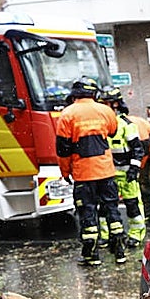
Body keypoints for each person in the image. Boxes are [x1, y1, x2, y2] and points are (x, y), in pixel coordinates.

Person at [55, 76, 127, 266]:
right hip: (106, 171)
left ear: (74, 95)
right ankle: (119, 250)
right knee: (112, 209)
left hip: (83, 174)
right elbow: (112, 131)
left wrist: (65, 172)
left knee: (87, 212)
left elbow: (63, 149)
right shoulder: (105, 111)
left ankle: (91, 255)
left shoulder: (67, 114)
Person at [98, 87, 147, 249]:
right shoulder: (100, 124)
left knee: (132, 204)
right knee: (105, 206)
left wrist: (134, 169)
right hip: (108, 174)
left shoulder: (126, 124)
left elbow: (138, 149)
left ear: (116, 104)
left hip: (126, 173)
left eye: (108, 103)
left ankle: (136, 234)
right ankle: (107, 235)